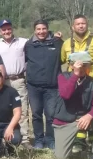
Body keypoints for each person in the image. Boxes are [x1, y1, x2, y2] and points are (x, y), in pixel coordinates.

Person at [52, 51, 93, 159]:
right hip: (65, 122)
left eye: (85, 65)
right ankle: (77, 141)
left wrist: (89, 116)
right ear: (71, 65)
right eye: (78, 65)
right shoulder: (62, 77)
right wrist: (75, 75)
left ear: (89, 66)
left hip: (85, 119)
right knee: (61, 157)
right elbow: (65, 94)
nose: (81, 68)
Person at [0, 19, 30, 141]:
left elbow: (38, 40)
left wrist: (54, 36)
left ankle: (25, 138)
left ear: (12, 29)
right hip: (1, 81)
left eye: (9, 29)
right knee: (3, 109)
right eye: (4, 29)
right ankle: (4, 135)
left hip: (18, 80)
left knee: (23, 109)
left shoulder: (23, 42)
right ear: (0, 31)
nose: (7, 31)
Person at [24, 20, 63, 149]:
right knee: (36, 114)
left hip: (52, 87)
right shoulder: (28, 45)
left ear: (48, 29)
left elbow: (69, 52)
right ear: (34, 30)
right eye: (38, 29)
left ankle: (50, 139)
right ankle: (39, 140)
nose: (41, 32)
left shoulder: (57, 43)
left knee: (51, 114)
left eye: (43, 29)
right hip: (33, 87)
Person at [61, 14, 93, 93]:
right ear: (73, 27)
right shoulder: (66, 43)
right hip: (73, 82)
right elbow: (60, 60)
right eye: (78, 24)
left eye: (83, 23)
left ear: (87, 25)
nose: (81, 26)